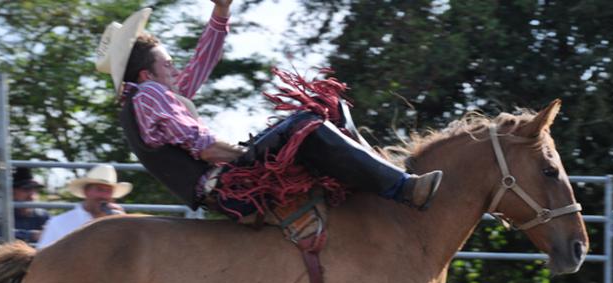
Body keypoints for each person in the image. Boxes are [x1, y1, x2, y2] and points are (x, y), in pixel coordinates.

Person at [94, 1, 442, 220]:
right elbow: (204, 146)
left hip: (223, 182)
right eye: (168, 64)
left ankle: (379, 178)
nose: (175, 70)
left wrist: (221, 12)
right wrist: (250, 153)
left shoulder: (152, 95)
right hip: (227, 183)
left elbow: (199, 65)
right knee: (306, 122)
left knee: (320, 112)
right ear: (145, 73)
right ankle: (400, 187)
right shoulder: (151, 95)